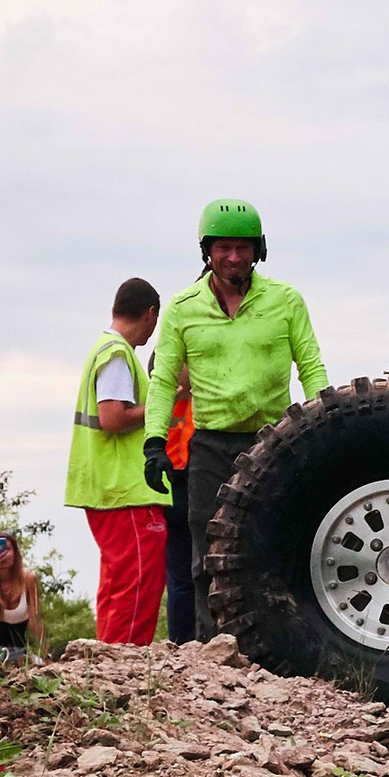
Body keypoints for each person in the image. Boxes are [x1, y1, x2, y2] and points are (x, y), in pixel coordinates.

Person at [141, 197, 328, 641]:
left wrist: (323, 428)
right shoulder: (183, 308)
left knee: (277, 545)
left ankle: (283, 645)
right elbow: (164, 380)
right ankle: (213, 651)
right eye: (223, 248)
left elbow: (312, 368)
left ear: (258, 250)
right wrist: (153, 442)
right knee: (207, 554)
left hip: (274, 443)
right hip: (209, 446)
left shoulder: (285, 300)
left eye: (243, 248)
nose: (233, 257)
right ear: (207, 251)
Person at [65, 277, 169, 644]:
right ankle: (126, 665)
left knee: (117, 585)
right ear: (150, 313)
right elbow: (112, 418)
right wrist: (159, 406)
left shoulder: (104, 348)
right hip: (125, 491)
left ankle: (105, 666)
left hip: (108, 490)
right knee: (136, 587)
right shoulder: (117, 353)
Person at [0, 530, 47, 662]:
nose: (3, 554)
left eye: (7, 549)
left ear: (15, 553)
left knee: (38, 666)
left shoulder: (29, 580)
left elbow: (35, 620)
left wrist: (45, 651)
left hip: (19, 653)